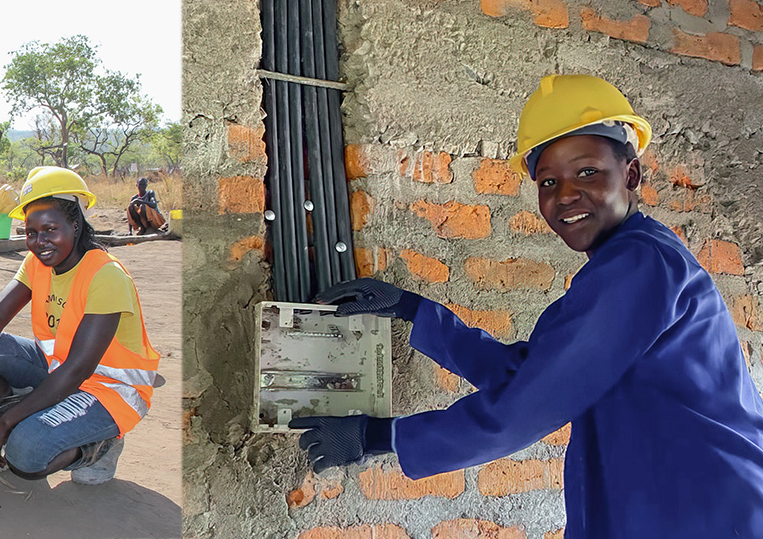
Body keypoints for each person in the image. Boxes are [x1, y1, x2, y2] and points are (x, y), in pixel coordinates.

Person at [292, 75, 763, 536]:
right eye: (548, 182)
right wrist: (414, 310)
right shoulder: (624, 265)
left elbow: (523, 409)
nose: (566, 196)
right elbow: (532, 374)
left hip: (707, 510)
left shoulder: (640, 266)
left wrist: (378, 437)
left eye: (587, 172)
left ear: (632, 174)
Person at [0, 166, 161, 486]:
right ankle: (36, 418)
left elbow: (77, 369)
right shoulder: (38, 262)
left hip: (109, 390)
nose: (39, 241)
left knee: (24, 454)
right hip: (57, 370)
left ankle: (100, 446)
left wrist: (6, 423)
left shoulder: (105, 276)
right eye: (31, 232)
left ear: (76, 224)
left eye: (50, 229)